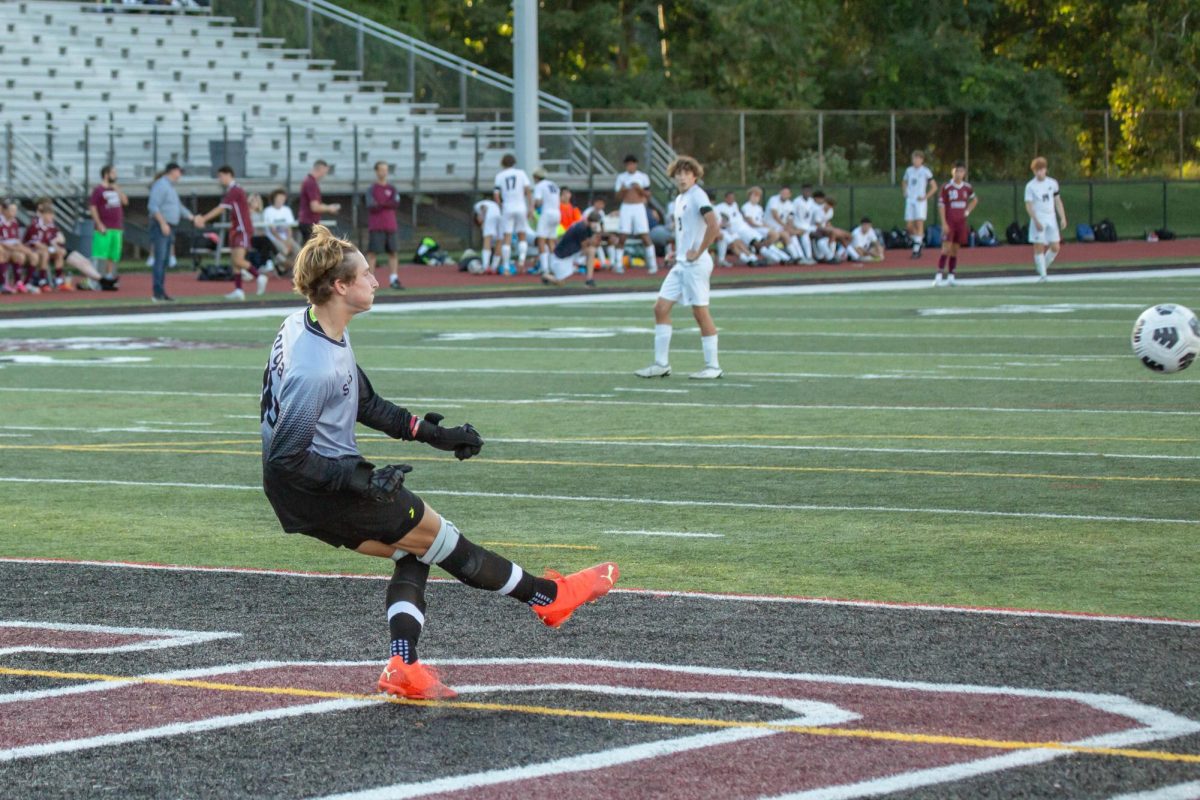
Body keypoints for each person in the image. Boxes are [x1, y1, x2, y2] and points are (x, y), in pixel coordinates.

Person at [260, 225, 619, 699]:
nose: (377, 281)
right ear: (340, 286)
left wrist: (435, 435)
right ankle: (548, 598)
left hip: (303, 489)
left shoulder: (310, 324)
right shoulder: (314, 365)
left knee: (415, 551)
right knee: (447, 543)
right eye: (367, 274)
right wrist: (361, 481)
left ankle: (402, 666)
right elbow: (289, 458)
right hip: (319, 486)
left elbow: (364, 401)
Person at [634, 156, 723, 381]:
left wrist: (698, 251)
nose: (682, 177)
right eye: (678, 173)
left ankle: (713, 366)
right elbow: (687, 229)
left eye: (687, 172)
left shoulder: (698, 195)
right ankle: (661, 364)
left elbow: (713, 226)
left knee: (700, 312)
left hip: (696, 265)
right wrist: (678, 251)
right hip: (682, 263)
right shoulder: (681, 198)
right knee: (660, 308)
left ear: (695, 176)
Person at [195, 165, 266, 301]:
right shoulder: (232, 191)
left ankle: (259, 276)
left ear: (229, 175)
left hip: (242, 229)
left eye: (221, 176)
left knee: (238, 260)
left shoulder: (235, 190)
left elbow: (221, 208)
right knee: (234, 262)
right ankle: (239, 290)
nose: (219, 179)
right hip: (236, 230)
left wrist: (203, 218)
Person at [147, 162, 192, 302]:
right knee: (160, 259)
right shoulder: (161, 185)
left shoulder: (169, 187)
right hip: (162, 226)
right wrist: (163, 223)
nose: (180, 175)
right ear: (172, 171)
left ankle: (161, 291)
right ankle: (157, 292)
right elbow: (153, 206)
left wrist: (193, 217)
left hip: (169, 226)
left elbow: (178, 207)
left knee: (164, 260)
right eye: (179, 171)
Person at [934, 160, 977, 287]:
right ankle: (939, 275)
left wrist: (967, 211)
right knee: (946, 248)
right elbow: (941, 205)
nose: (959, 174)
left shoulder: (967, 187)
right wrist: (944, 223)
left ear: (964, 173)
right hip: (950, 222)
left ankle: (951, 275)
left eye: (961, 171)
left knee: (955, 249)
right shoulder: (947, 187)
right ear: (952, 172)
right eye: (956, 171)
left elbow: (974, 199)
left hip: (961, 223)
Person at [613, 155, 658, 275]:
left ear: (636, 164)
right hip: (626, 207)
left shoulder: (642, 177)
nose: (630, 166)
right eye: (628, 164)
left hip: (638, 207)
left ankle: (652, 265)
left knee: (645, 235)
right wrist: (623, 190)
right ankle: (618, 264)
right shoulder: (621, 177)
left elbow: (648, 195)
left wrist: (639, 189)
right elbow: (617, 197)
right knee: (623, 236)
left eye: (632, 164)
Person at [1024, 156, 1067, 283]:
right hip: (1039, 217)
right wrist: (1036, 220)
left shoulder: (1052, 183)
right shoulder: (1030, 186)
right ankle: (1043, 276)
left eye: (1041, 169)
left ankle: (1042, 266)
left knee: (1055, 246)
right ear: (1033, 171)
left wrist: (1063, 217)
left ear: (1045, 169)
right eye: (1037, 170)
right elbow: (1028, 205)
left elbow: (1057, 201)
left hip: (1051, 217)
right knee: (1039, 246)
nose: (1039, 172)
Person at [89, 164, 128, 288]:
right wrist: (99, 223)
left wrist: (118, 190)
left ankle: (110, 276)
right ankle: (96, 278)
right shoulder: (98, 190)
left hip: (117, 227)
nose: (115, 175)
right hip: (104, 227)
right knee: (101, 254)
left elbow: (125, 202)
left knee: (113, 254)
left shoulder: (115, 189)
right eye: (113, 173)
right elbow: (93, 207)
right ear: (106, 174)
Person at [365, 161, 403, 290]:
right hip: (376, 226)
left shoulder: (392, 188)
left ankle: (394, 279)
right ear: (376, 171)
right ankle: (370, 281)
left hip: (390, 225)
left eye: (386, 170)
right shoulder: (372, 189)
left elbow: (395, 203)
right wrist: (386, 203)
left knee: (393, 252)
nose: (384, 172)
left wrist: (381, 203)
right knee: (372, 253)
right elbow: (371, 205)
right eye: (381, 170)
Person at [493, 154, 532, 275]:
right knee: (522, 234)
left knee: (507, 237)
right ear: (514, 162)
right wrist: (530, 206)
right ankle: (521, 261)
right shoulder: (521, 173)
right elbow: (528, 191)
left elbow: (496, 195)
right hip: (520, 206)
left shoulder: (499, 176)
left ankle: (506, 267)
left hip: (507, 207)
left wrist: (500, 206)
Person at [542, 210, 603, 288]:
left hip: (573, 252)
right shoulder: (581, 228)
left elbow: (593, 245)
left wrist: (597, 236)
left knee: (592, 250)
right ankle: (546, 276)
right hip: (562, 257)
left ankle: (589, 280)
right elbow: (585, 246)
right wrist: (595, 237)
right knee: (560, 283)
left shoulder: (587, 227)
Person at [902, 150, 937, 258]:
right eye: (914, 158)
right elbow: (904, 181)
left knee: (919, 223)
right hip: (910, 200)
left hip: (920, 201)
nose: (916, 161)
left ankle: (916, 248)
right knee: (909, 226)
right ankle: (919, 240)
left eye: (918, 158)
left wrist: (925, 196)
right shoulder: (909, 170)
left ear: (922, 160)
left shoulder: (925, 171)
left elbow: (934, 187)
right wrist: (905, 191)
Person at [298, 159, 341, 244]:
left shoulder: (309, 181)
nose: (325, 174)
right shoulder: (311, 183)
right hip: (309, 223)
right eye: (325, 171)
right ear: (320, 168)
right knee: (313, 252)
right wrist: (329, 208)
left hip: (308, 222)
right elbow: (315, 207)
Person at [1, 200, 37, 293]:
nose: (14, 213)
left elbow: (16, 241)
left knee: (28, 255)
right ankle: (2, 284)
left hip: (11, 248)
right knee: (2, 253)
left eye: (15, 210)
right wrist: (15, 248)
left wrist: (25, 249)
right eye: (12, 210)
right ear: (4, 210)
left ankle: (22, 283)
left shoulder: (14, 222)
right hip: (4, 248)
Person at [262, 189, 300, 274]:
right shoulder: (268, 211)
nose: (281, 200)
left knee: (298, 251)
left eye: (283, 198)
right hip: (274, 238)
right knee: (284, 250)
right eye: (279, 198)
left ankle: (282, 267)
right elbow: (272, 230)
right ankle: (292, 267)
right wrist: (283, 241)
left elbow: (289, 227)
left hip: (286, 237)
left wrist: (288, 239)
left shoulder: (287, 210)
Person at [531, 168, 561, 277]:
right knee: (551, 241)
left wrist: (534, 208)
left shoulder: (539, 186)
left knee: (541, 240)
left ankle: (545, 268)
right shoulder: (553, 184)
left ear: (536, 178)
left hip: (547, 213)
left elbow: (538, 202)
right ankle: (554, 267)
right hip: (557, 213)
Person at [472, 195, 503, 274]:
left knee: (487, 240)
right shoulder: (491, 203)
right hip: (499, 214)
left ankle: (485, 266)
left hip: (490, 214)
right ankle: (494, 267)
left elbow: (483, 207)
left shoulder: (476, 206)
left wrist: (483, 217)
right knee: (499, 241)